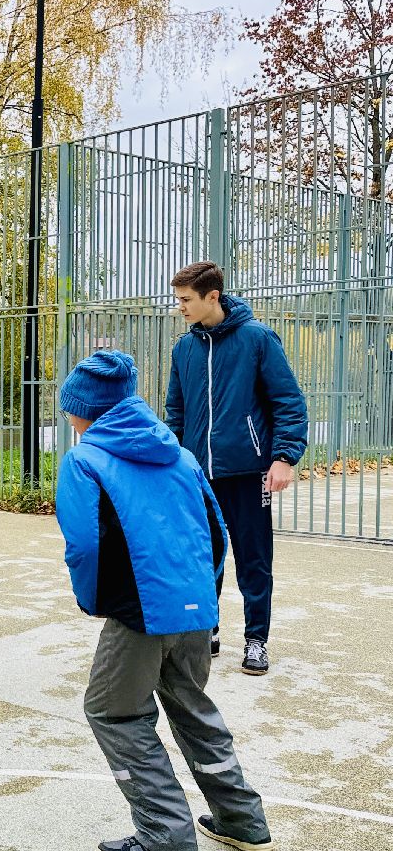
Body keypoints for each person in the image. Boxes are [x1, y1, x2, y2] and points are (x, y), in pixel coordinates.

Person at [57, 349, 272, 851]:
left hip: (140, 611)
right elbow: (217, 532)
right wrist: (204, 596)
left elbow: (84, 545)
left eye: (70, 407)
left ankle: (165, 835)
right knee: (193, 708)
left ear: (84, 409)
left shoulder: (84, 461)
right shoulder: (181, 456)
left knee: (113, 711)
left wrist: (92, 600)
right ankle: (243, 821)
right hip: (195, 607)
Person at [165, 261, 308, 674]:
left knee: (253, 559)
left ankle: (256, 639)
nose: (180, 307)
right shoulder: (184, 349)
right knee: (202, 558)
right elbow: (176, 412)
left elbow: (288, 402)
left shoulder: (257, 338)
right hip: (198, 474)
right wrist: (173, 462)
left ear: (212, 296)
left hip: (248, 472)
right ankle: (205, 630)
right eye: (178, 300)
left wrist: (283, 458)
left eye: (186, 299)